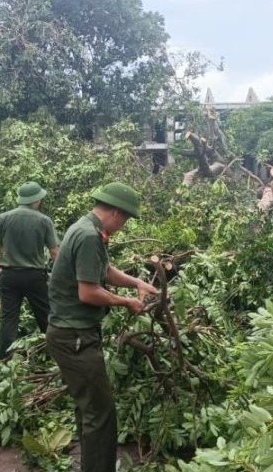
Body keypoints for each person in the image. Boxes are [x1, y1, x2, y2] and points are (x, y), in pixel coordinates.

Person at [45, 182, 158, 472]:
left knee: (90, 409)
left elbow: (104, 270)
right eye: (126, 219)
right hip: (74, 338)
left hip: (73, 335)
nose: (124, 225)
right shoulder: (88, 236)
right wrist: (127, 302)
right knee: (101, 413)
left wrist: (136, 283)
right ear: (117, 214)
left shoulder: (86, 228)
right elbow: (88, 292)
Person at [0, 181, 59, 360]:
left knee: (9, 320)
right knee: (46, 317)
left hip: (10, 276)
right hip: (35, 276)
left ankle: (4, 361)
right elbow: (54, 252)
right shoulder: (44, 220)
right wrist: (60, 276)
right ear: (37, 200)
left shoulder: (4, 218)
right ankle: (57, 356)